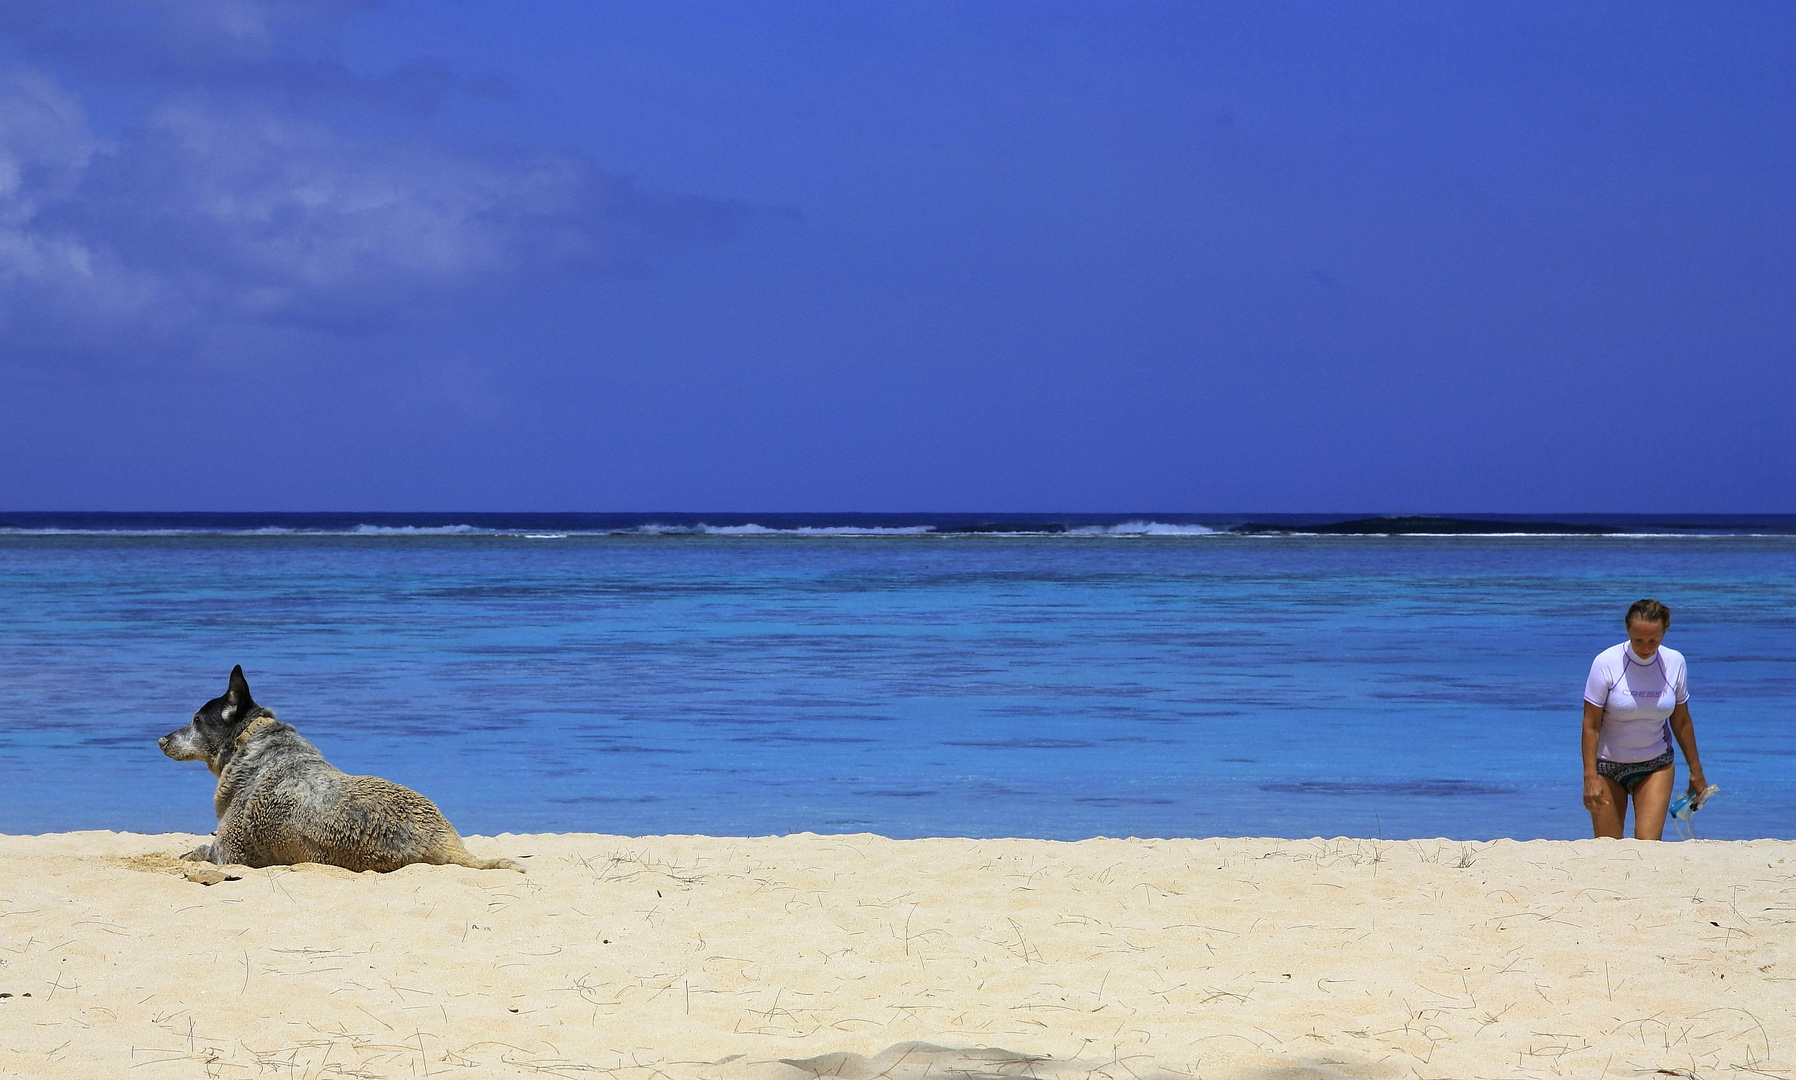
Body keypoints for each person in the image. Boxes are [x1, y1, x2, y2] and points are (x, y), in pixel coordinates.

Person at [1582, 599, 1710, 839]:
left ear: (1665, 632)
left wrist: (1696, 771)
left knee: (1648, 847)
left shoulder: (1674, 662)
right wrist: (1589, 777)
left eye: (1654, 640)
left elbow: (1681, 721)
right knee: (1607, 848)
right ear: (1628, 630)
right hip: (1607, 767)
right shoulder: (1606, 663)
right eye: (1638, 640)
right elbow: (1590, 725)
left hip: (1655, 765)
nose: (1645, 647)